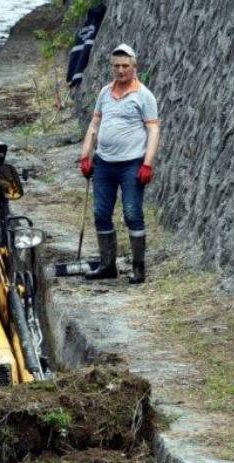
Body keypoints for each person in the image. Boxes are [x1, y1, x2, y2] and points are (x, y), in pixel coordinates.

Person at [77, 43, 161, 283]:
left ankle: (138, 268)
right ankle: (107, 266)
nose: (121, 70)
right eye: (116, 66)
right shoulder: (105, 93)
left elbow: (153, 130)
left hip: (132, 164)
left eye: (125, 66)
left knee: (132, 213)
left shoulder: (144, 96)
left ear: (134, 67)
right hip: (104, 163)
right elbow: (94, 127)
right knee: (101, 213)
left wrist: (148, 163)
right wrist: (86, 156)